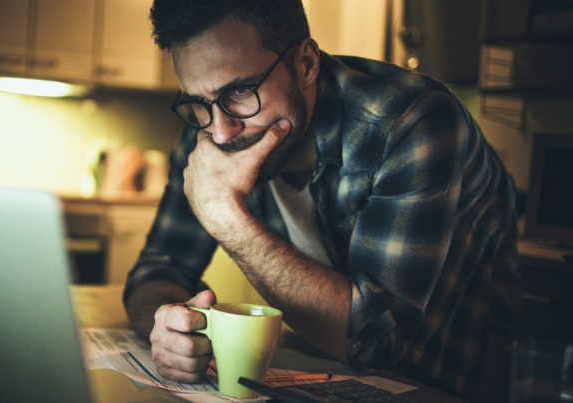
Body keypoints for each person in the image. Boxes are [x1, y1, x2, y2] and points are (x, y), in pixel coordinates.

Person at [123, 0, 522, 400]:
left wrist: (226, 217)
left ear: (306, 64)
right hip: (327, 377)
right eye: (198, 101)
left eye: (240, 91)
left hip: (444, 382)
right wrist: (168, 325)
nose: (222, 133)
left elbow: (376, 340)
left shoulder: (412, 122)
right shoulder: (211, 126)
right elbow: (158, 268)